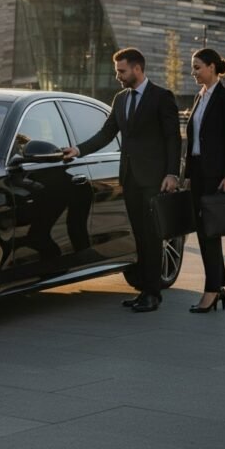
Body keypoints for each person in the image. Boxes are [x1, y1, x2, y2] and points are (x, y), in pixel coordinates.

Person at [62, 48, 181, 312]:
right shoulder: (120, 99)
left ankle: (153, 293)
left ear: (137, 69)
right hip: (129, 178)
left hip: (154, 179)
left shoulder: (162, 97)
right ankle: (143, 290)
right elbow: (106, 133)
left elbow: (174, 137)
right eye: (117, 71)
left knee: (152, 236)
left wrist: (172, 174)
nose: (118, 76)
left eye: (121, 71)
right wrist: (78, 150)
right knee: (139, 235)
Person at [185, 48, 225, 313]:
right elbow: (194, 139)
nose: (193, 72)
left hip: (215, 176)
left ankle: (211, 291)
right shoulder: (200, 96)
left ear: (211, 67)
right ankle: (219, 285)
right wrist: (186, 176)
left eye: (197, 67)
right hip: (197, 173)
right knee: (206, 231)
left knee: (209, 233)